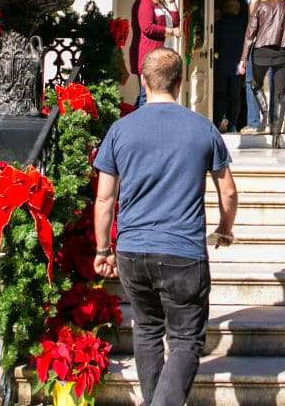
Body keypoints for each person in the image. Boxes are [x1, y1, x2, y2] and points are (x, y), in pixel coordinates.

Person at [93, 48, 238, 406]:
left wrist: (101, 249)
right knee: (186, 339)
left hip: (132, 250)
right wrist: (224, 228)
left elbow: (104, 199)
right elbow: (229, 191)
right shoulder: (202, 128)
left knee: (147, 331)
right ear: (181, 82)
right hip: (183, 253)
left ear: (143, 81)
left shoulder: (120, 130)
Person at [238, 0, 285, 147]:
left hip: (261, 53)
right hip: (282, 53)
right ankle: (276, 133)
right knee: (280, 93)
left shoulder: (260, 7)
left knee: (255, 85)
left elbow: (250, 34)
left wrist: (243, 59)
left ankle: (265, 112)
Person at [129, 0, 181, 108]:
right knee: (146, 95)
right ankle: (139, 127)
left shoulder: (160, 4)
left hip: (161, 56)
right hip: (147, 56)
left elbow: (176, 23)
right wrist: (169, 31)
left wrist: (172, 2)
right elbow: (147, 27)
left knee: (157, 95)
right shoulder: (145, 2)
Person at [240, 0, 268, 135]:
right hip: (273, 43)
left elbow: (253, 13)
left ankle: (254, 122)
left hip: (257, 43)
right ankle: (271, 121)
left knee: (252, 83)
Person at [212, 0, 247, 132]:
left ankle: (217, 121)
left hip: (221, 65)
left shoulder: (219, 25)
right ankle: (233, 124)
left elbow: (214, 45)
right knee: (235, 97)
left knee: (220, 96)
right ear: (237, 9)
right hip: (238, 65)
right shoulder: (243, 24)